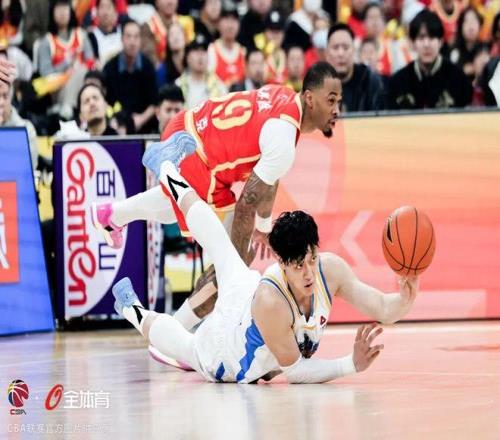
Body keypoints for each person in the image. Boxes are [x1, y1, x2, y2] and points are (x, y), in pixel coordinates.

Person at [111, 158, 419, 383]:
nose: (309, 272)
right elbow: (296, 372)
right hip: (226, 350)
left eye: (312, 258)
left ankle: (167, 169)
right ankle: (130, 309)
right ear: (282, 263)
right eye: (298, 265)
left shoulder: (330, 270)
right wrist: (349, 364)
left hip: (246, 290)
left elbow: (383, 308)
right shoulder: (272, 304)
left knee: (222, 249)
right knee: (188, 346)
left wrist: (407, 295)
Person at [92, 62, 342, 336]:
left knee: (175, 205)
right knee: (231, 266)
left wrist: (263, 227)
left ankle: (112, 215)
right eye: (331, 100)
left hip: (187, 127)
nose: (337, 110)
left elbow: (269, 177)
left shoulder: (282, 96)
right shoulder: (284, 138)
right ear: (310, 98)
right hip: (198, 156)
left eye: (339, 101)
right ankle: (174, 334)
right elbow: (247, 201)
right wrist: (239, 257)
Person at [387, 10, 473, 110]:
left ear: (441, 42)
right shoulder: (398, 82)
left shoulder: (458, 79)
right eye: (421, 38)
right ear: (412, 43)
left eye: (432, 37)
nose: (426, 44)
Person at [103, 20, 158, 133]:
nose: (132, 42)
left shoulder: (148, 66)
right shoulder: (110, 68)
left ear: (140, 40)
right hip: (116, 125)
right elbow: (105, 101)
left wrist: (141, 119)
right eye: (128, 36)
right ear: (122, 39)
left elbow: (155, 102)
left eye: (136, 37)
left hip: (143, 125)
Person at [326, 23, 385, 112]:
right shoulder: (317, 85)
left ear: (354, 51)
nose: (341, 53)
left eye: (346, 48)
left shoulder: (370, 81)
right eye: (335, 48)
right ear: (327, 54)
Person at [175, 33, 227, 109]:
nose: (200, 55)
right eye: (196, 51)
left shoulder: (219, 87)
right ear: (187, 57)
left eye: (204, 51)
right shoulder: (178, 86)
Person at [0, 79, 38, 170]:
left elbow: (30, 168)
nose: (1, 102)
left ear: (11, 97)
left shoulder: (26, 129)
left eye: (5, 96)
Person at [207, 5, 246, 88]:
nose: (230, 26)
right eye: (226, 19)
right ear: (218, 24)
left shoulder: (243, 52)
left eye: (234, 20)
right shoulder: (211, 50)